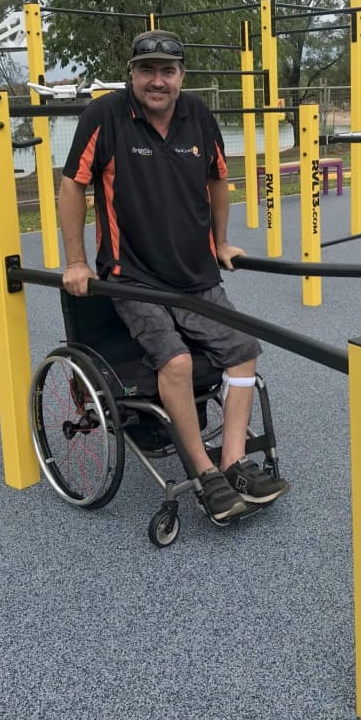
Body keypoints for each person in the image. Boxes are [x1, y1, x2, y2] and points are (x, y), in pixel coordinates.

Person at [59, 28, 289, 522]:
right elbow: (73, 185)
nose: (157, 81)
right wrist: (76, 261)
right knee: (178, 362)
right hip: (133, 278)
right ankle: (205, 474)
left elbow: (219, 178)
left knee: (243, 351)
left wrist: (221, 242)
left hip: (196, 275)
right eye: (147, 70)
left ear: (182, 75)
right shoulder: (105, 115)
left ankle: (233, 462)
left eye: (168, 71)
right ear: (131, 74)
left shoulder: (198, 115)